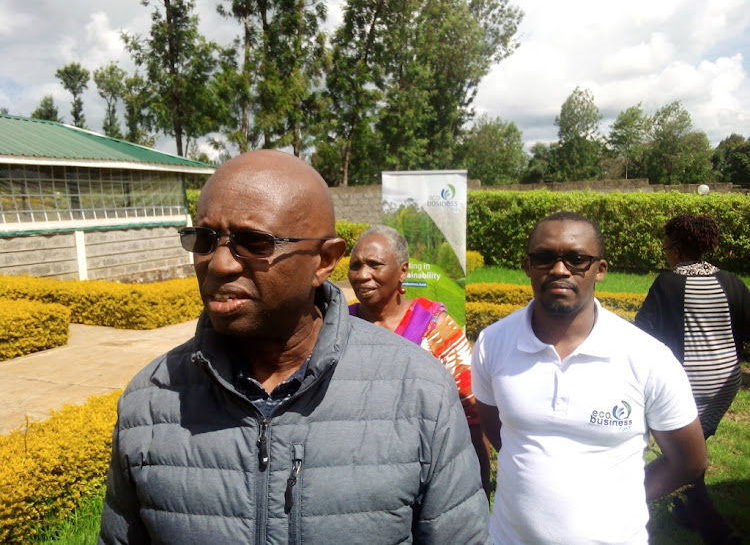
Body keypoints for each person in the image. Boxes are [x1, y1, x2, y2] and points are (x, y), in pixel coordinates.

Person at [98, 150, 489, 544]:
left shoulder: (420, 393)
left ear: (325, 260)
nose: (219, 265)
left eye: (254, 242)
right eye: (204, 238)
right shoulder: (150, 402)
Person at [471, 211, 708, 545]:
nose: (558, 269)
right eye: (543, 258)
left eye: (577, 259)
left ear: (601, 270)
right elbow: (500, 434)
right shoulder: (492, 343)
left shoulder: (647, 357)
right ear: (527, 266)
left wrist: (623, 497)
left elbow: (690, 461)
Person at [347, 225, 492, 497]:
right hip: (354, 476)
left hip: (422, 478)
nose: (363, 275)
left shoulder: (436, 331)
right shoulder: (340, 326)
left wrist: (480, 488)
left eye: (374, 265)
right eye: (355, 265)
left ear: (403, 271)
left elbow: (471, 414)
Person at [636, 213, 749, 544]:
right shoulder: (731, 281)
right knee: (690, 448)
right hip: (726, 383)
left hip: (684, 385)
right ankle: (695, 511)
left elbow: (643, 333)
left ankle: (708, 522)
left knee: (683, 453)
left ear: (675, 247)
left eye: (666, 244)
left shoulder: (668, 283)